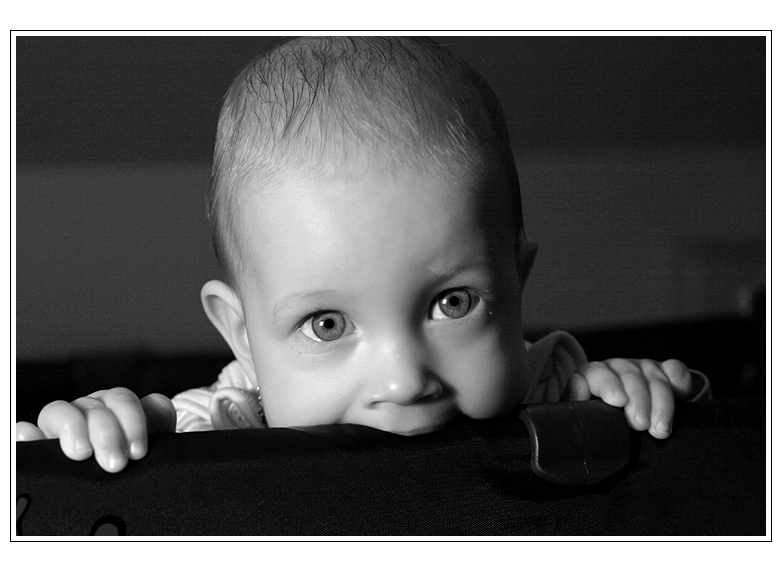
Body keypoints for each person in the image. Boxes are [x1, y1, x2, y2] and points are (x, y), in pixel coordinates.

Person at [15, 37, 709, 473]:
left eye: (453, 303)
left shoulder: (550, 389)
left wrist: (641, 393)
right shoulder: (216, 429)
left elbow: (704, 467)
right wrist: (96, 435)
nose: (405, 381)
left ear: (516, 285)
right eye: (326, 324)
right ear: (243, 336)